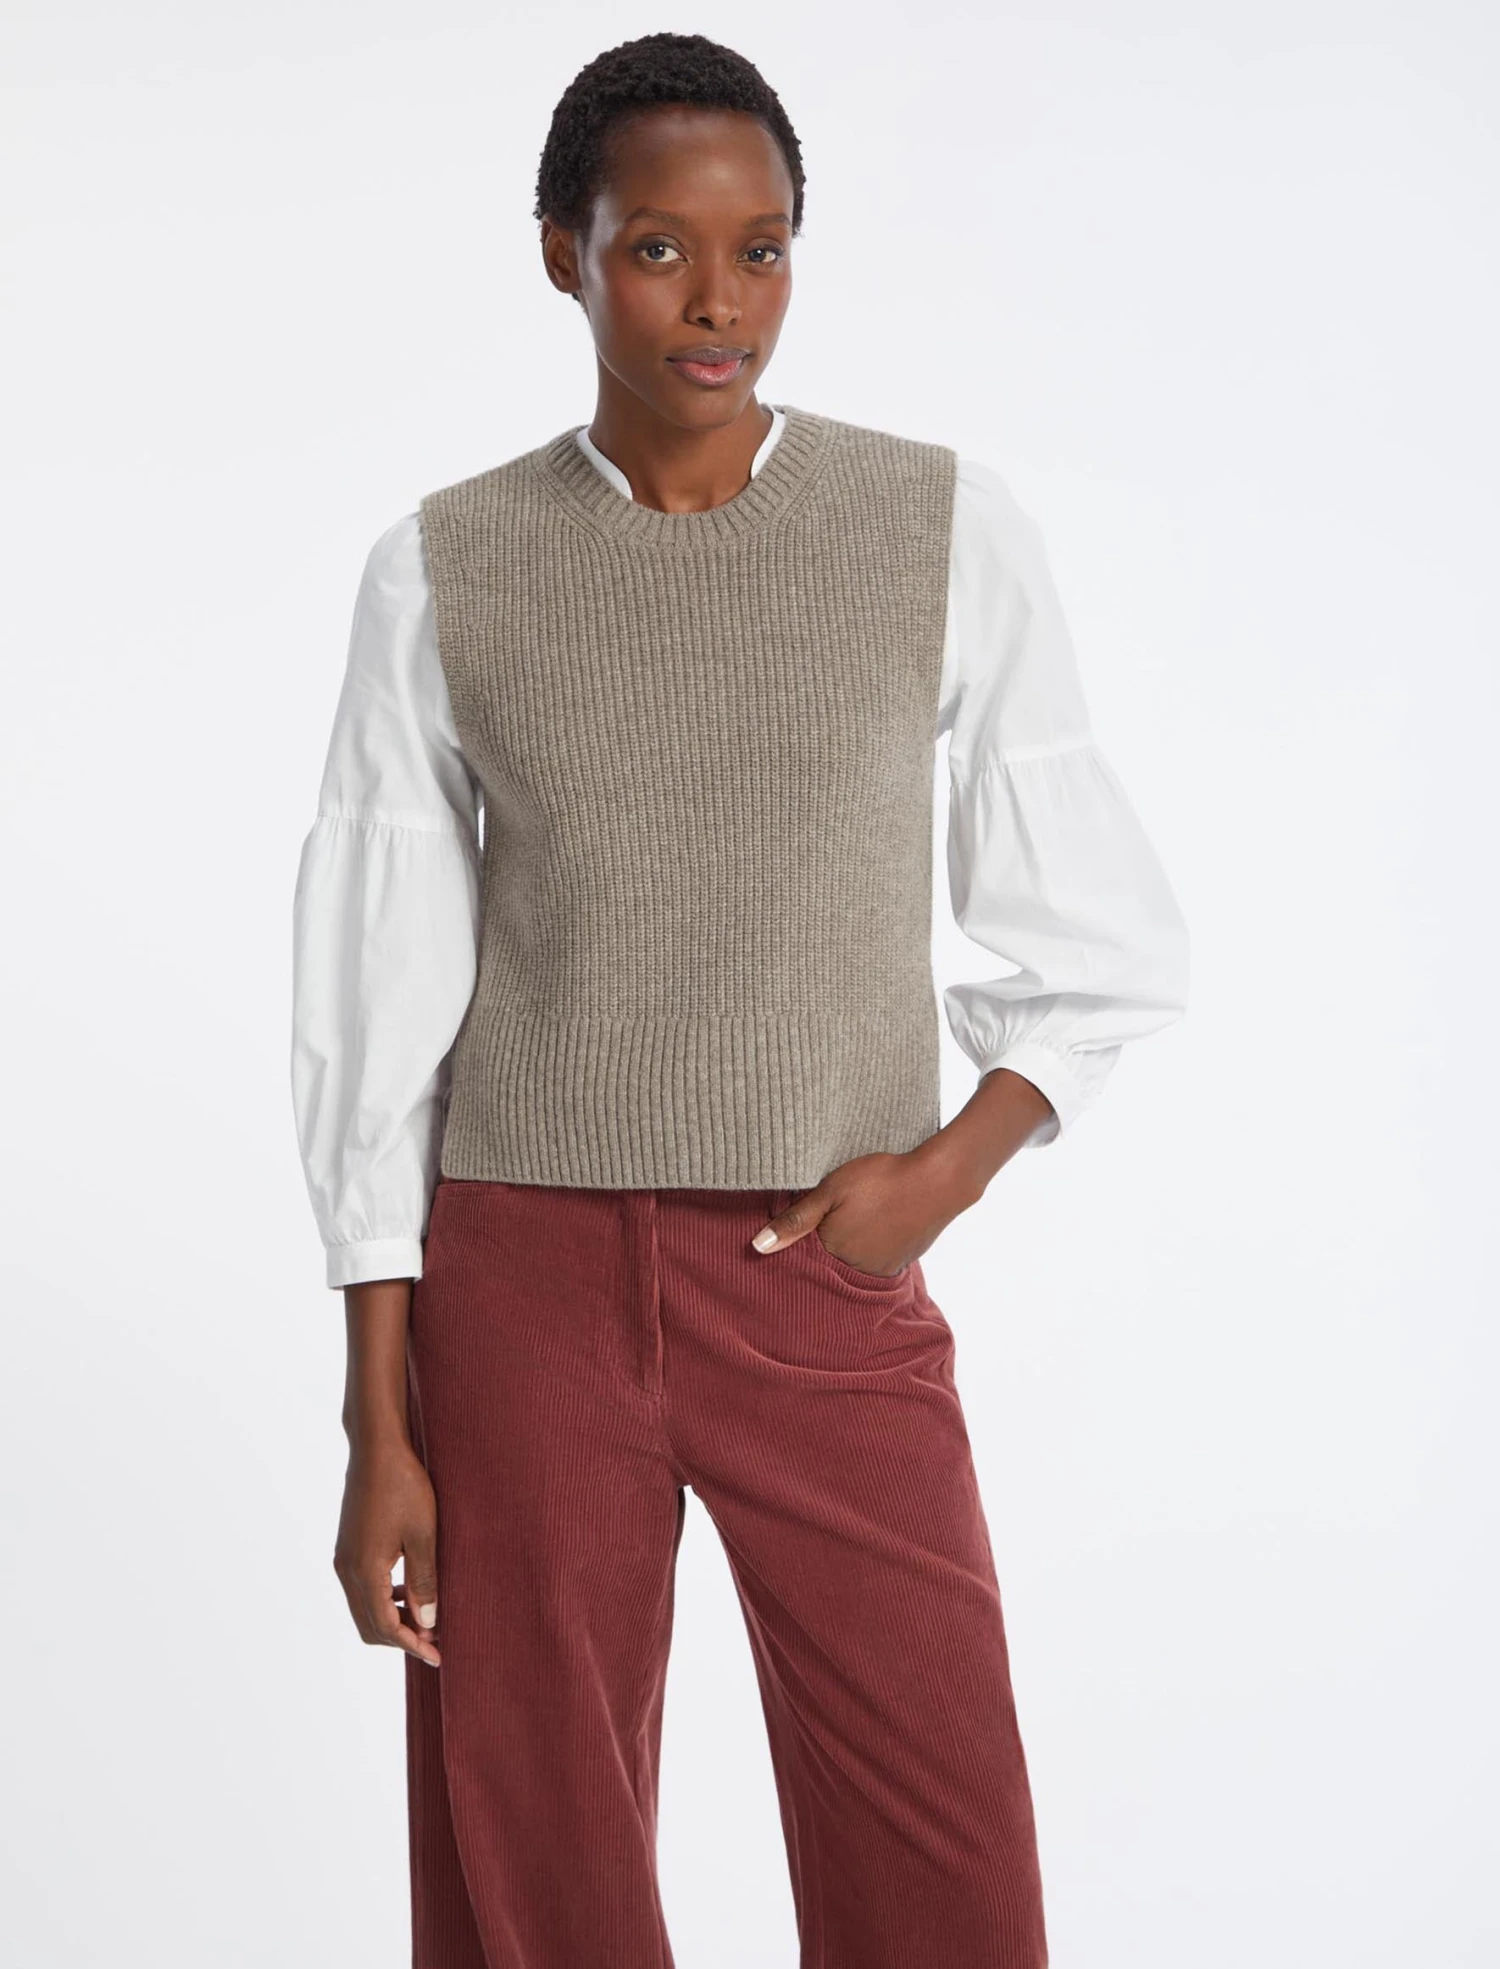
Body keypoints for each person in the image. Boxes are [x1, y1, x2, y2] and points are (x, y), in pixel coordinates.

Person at [290, 30, 1189, 1969]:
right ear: (564, 254)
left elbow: (1102, 942)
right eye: (658, 250)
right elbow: (375, 1015)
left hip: (822, 1279)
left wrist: (940, 1177)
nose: (718, 302)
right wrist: (380, 1419)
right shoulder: (442, 571)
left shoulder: (937, 530)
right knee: (528, 1853)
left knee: (940, 1855)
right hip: (520, 1285)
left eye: (761, 250)